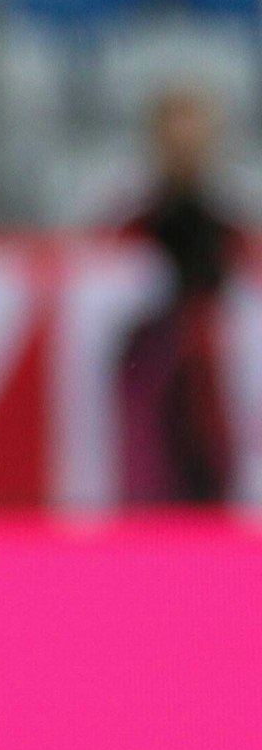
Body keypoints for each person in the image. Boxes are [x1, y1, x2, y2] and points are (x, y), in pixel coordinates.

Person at [116, 86, 239, 502]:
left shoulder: (233, 232)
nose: (183, 147)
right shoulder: (128, 229)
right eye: (173, 136)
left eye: (192, 135)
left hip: (214, 392)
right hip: (149, 384)